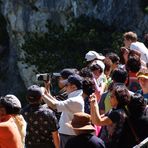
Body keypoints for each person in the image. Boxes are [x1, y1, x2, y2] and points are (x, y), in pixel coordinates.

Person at [42, 74, 84, 148]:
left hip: (69, 135)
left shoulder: (75, 100)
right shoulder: (76, 97)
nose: (65, 87)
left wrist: (41, 94)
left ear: (74, 87)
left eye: (67, 85)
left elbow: (54, 105)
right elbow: (55, 102)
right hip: (68, 133)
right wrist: (46, 90)